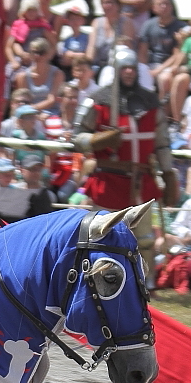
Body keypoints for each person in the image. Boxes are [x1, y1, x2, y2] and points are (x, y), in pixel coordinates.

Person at [75, 46, 178, 275]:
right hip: (108, 180)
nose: (129, 73)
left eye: (132, 68)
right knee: (102, 234)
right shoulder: (98, 101)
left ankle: (145, 280)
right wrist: (98, 140)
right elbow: (76, 138)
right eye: (125, 69)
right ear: (117, 71)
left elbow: (161, 143)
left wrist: (168, 173)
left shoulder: (150, 103)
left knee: (144, 238)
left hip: (141, 180)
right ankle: (99, 275)